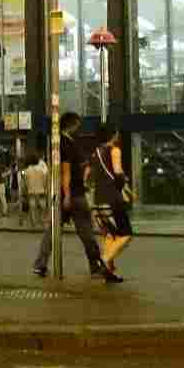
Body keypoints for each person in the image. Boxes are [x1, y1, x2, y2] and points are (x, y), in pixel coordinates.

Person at [32, 113, 117, 282]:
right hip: (74, 195)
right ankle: (95, 265)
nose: (79, 128)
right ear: (71, 125)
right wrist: (68, 195)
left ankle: (40, 264)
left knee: (53, 231)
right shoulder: (66, 144)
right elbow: (65, 171)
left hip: (67, 195)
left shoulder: (60, 143)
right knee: (86, 232)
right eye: (77, 124)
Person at [92, 126, 133, 279]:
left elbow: (89, 175)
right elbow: (117, 171)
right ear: (113, 135)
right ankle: (103, 261)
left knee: (109, 235)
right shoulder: (114, 150)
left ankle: (108, 272)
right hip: (112, 198)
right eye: (117, 133)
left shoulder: (95, 153)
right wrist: (126, 188)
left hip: (97, 200)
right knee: (126, 234)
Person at [26, 153, 49, 227]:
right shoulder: (42, 170)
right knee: (43, 207)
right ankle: (42, 221)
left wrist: (26, 189)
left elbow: (26, 182)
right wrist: (45, 189)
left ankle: (34, 223)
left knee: (32, 207)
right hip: (41, 190)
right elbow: (45, 180)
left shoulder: (27, 170)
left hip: (31, 191)